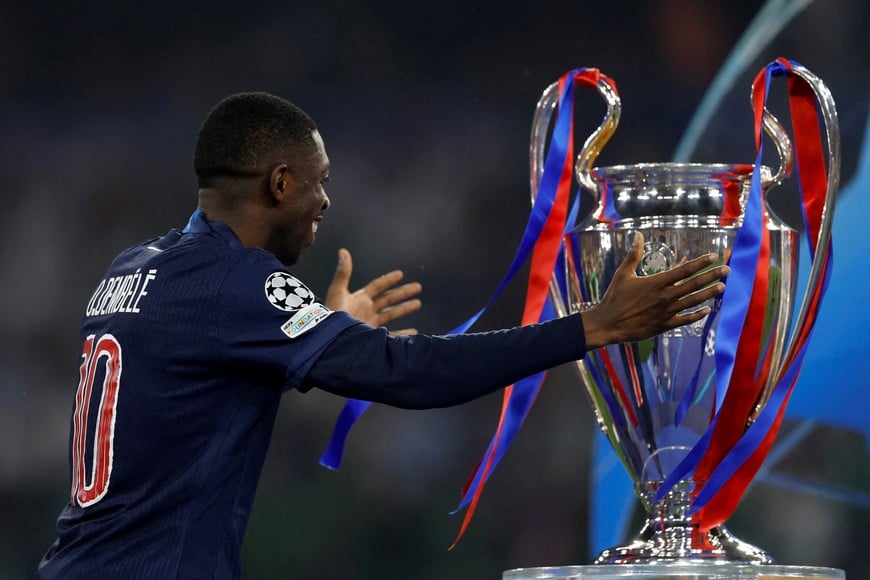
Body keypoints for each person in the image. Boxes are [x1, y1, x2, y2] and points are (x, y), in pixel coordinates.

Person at [38, 92, 729, 579]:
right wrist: (592, 326)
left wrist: (324, 333)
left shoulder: (131, 269)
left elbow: (188, 398)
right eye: (319, 182)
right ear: (279, 183)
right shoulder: (233, 285)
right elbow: (410, 373)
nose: (327, 202)